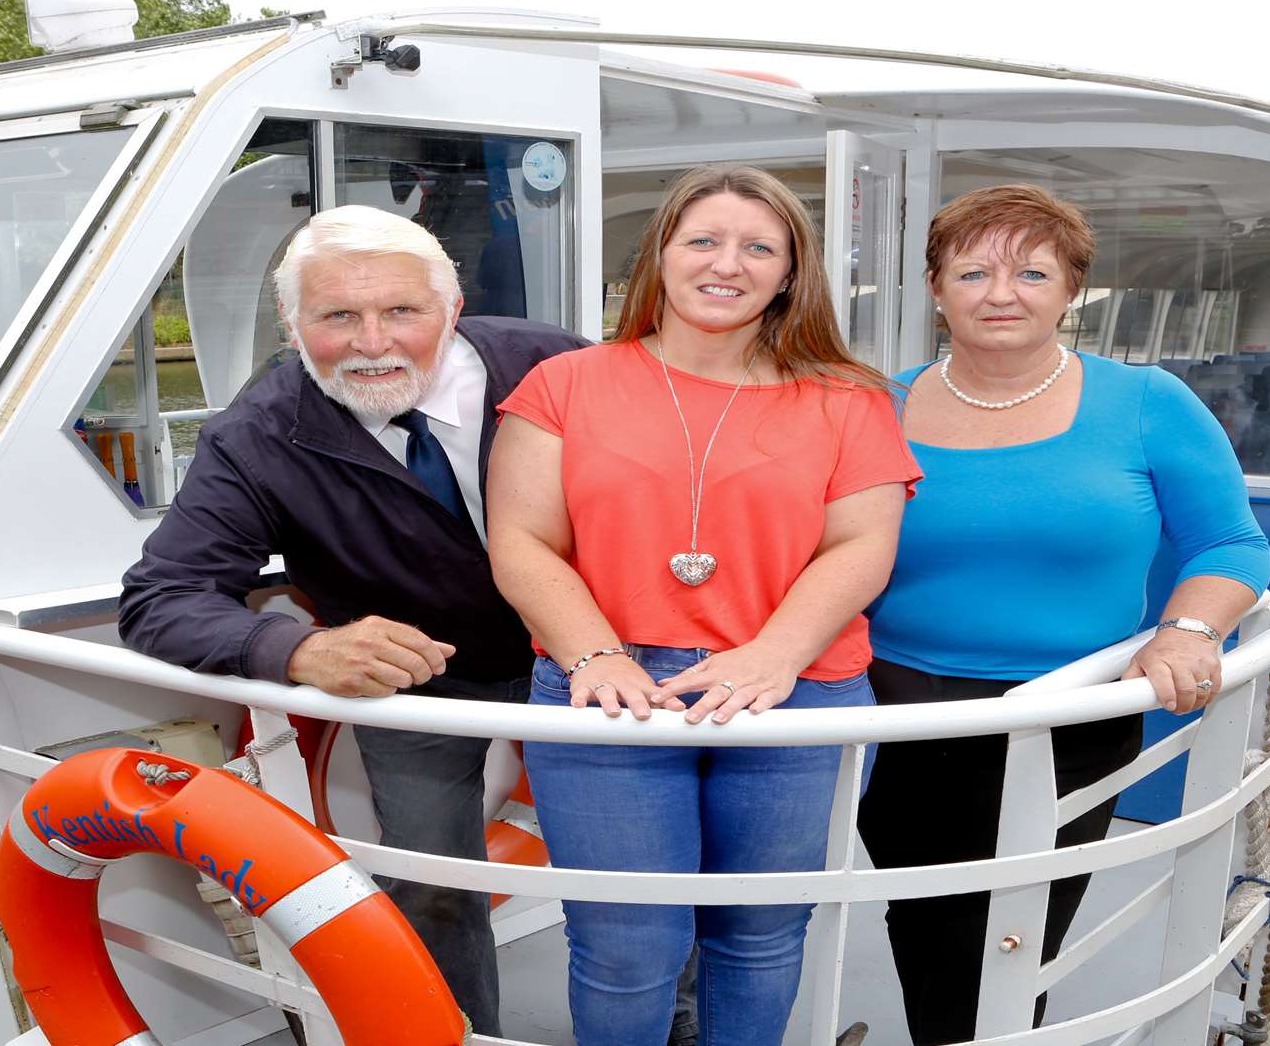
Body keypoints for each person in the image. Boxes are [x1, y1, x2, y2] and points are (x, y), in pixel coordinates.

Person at [117, 204, 588, 1036]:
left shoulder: (554, 365)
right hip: (415, 682)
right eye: (337, 316)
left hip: (588, 658)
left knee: (635, 867)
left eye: (401, 310)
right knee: (430, 881)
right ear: (293, 327)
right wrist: (299, 648)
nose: (373, 341)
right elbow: (160, 598)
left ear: (450, 309)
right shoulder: (257, 437)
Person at [487, 165, 922, 1046]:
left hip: (798, 694)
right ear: (663, 255)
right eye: (705, 240)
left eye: (759, 246)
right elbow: (523, 542)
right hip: (606, 693)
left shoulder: (848, 398)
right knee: (623, 944)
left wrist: (777, 654)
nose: (729, 264)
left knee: (759, 935)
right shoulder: (564, 384)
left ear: (791, 272)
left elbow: (862, 546)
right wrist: (595, 654)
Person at [858, 184, 1270, 1044]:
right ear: (935, 288)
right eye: (971, 271)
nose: (1000, 294)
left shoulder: (1147, 401)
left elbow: (1230, 543)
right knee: (924, 925)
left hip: (1068, 718)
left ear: (1071, 288)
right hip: (893, 713)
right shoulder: (873, 404)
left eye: (1031, 273)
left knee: (1009, 939)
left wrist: (1187, 628)